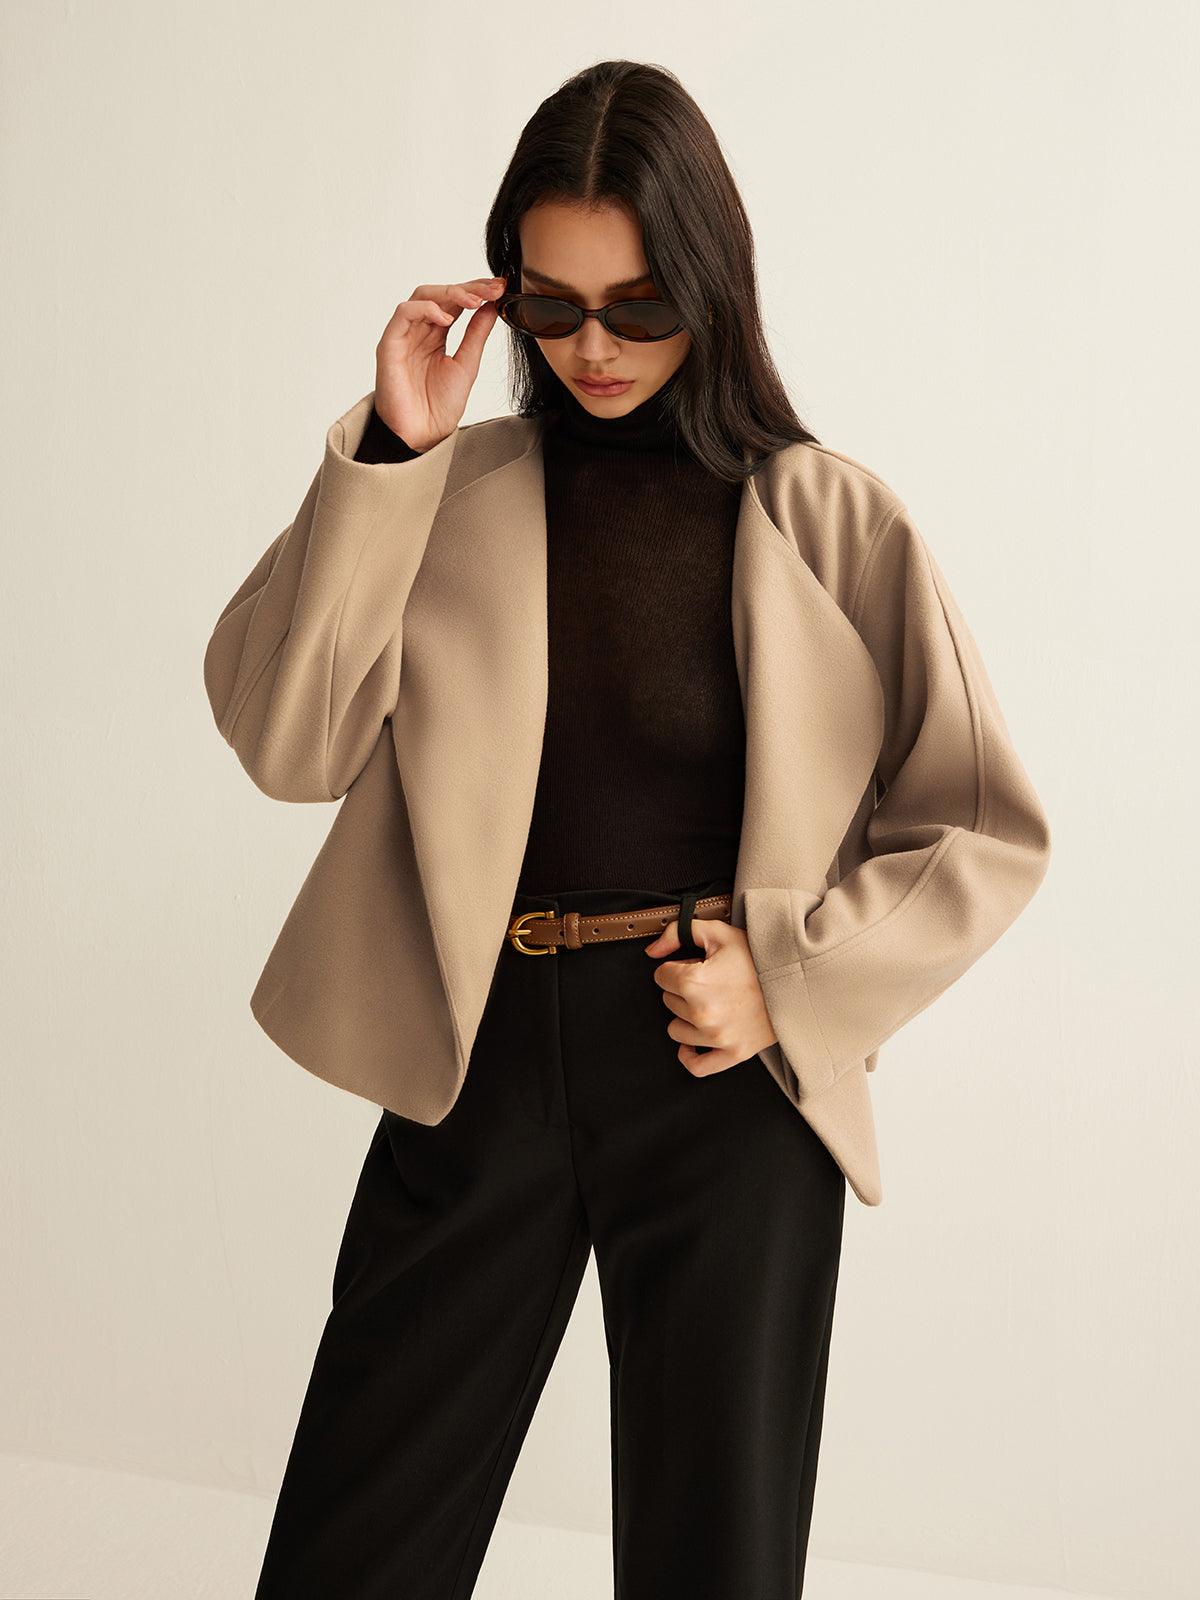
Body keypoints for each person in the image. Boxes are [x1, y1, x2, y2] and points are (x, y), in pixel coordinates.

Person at [205, 59, 1050, 1600]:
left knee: (714, 1562)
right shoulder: (445, 491)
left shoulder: (828, 517)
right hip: (477, 1055)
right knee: (352, 1548)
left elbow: (980, 823)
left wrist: (789, 981)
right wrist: (393, 451)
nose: (592, 348)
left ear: (711, 288)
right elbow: (287, 741)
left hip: (724, 1072)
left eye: (640, 307)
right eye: (553, 306)